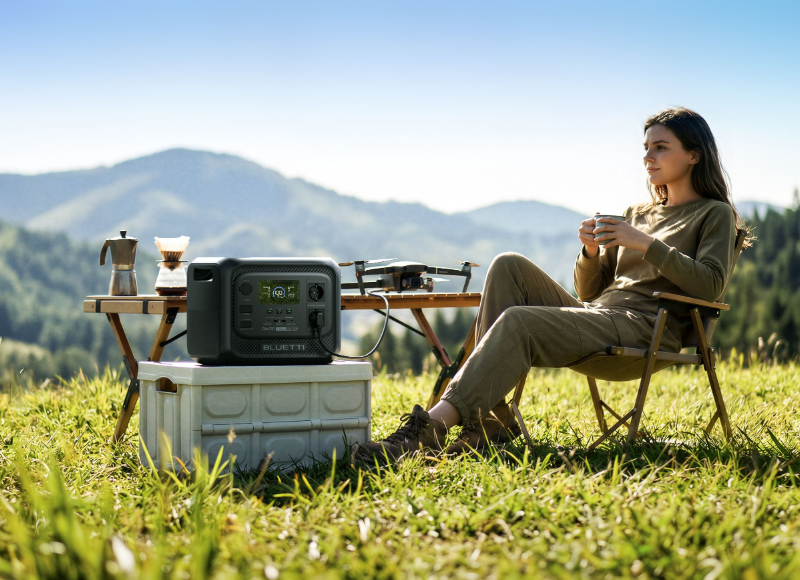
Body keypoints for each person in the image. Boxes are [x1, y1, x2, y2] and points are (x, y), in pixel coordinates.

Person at [352, 106, 751, 465]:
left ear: (694, 154)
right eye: (645, 148)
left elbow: (711, 286)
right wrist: (591, 252)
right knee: (508, 265)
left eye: (660, 147)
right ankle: (490, 422)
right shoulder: (637, 213)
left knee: (520, 321)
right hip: (603, 314)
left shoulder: (712, 214)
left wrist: (644, 243)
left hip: (650, 326)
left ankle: (428, 431)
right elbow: (590, 292)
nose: (647, 157)